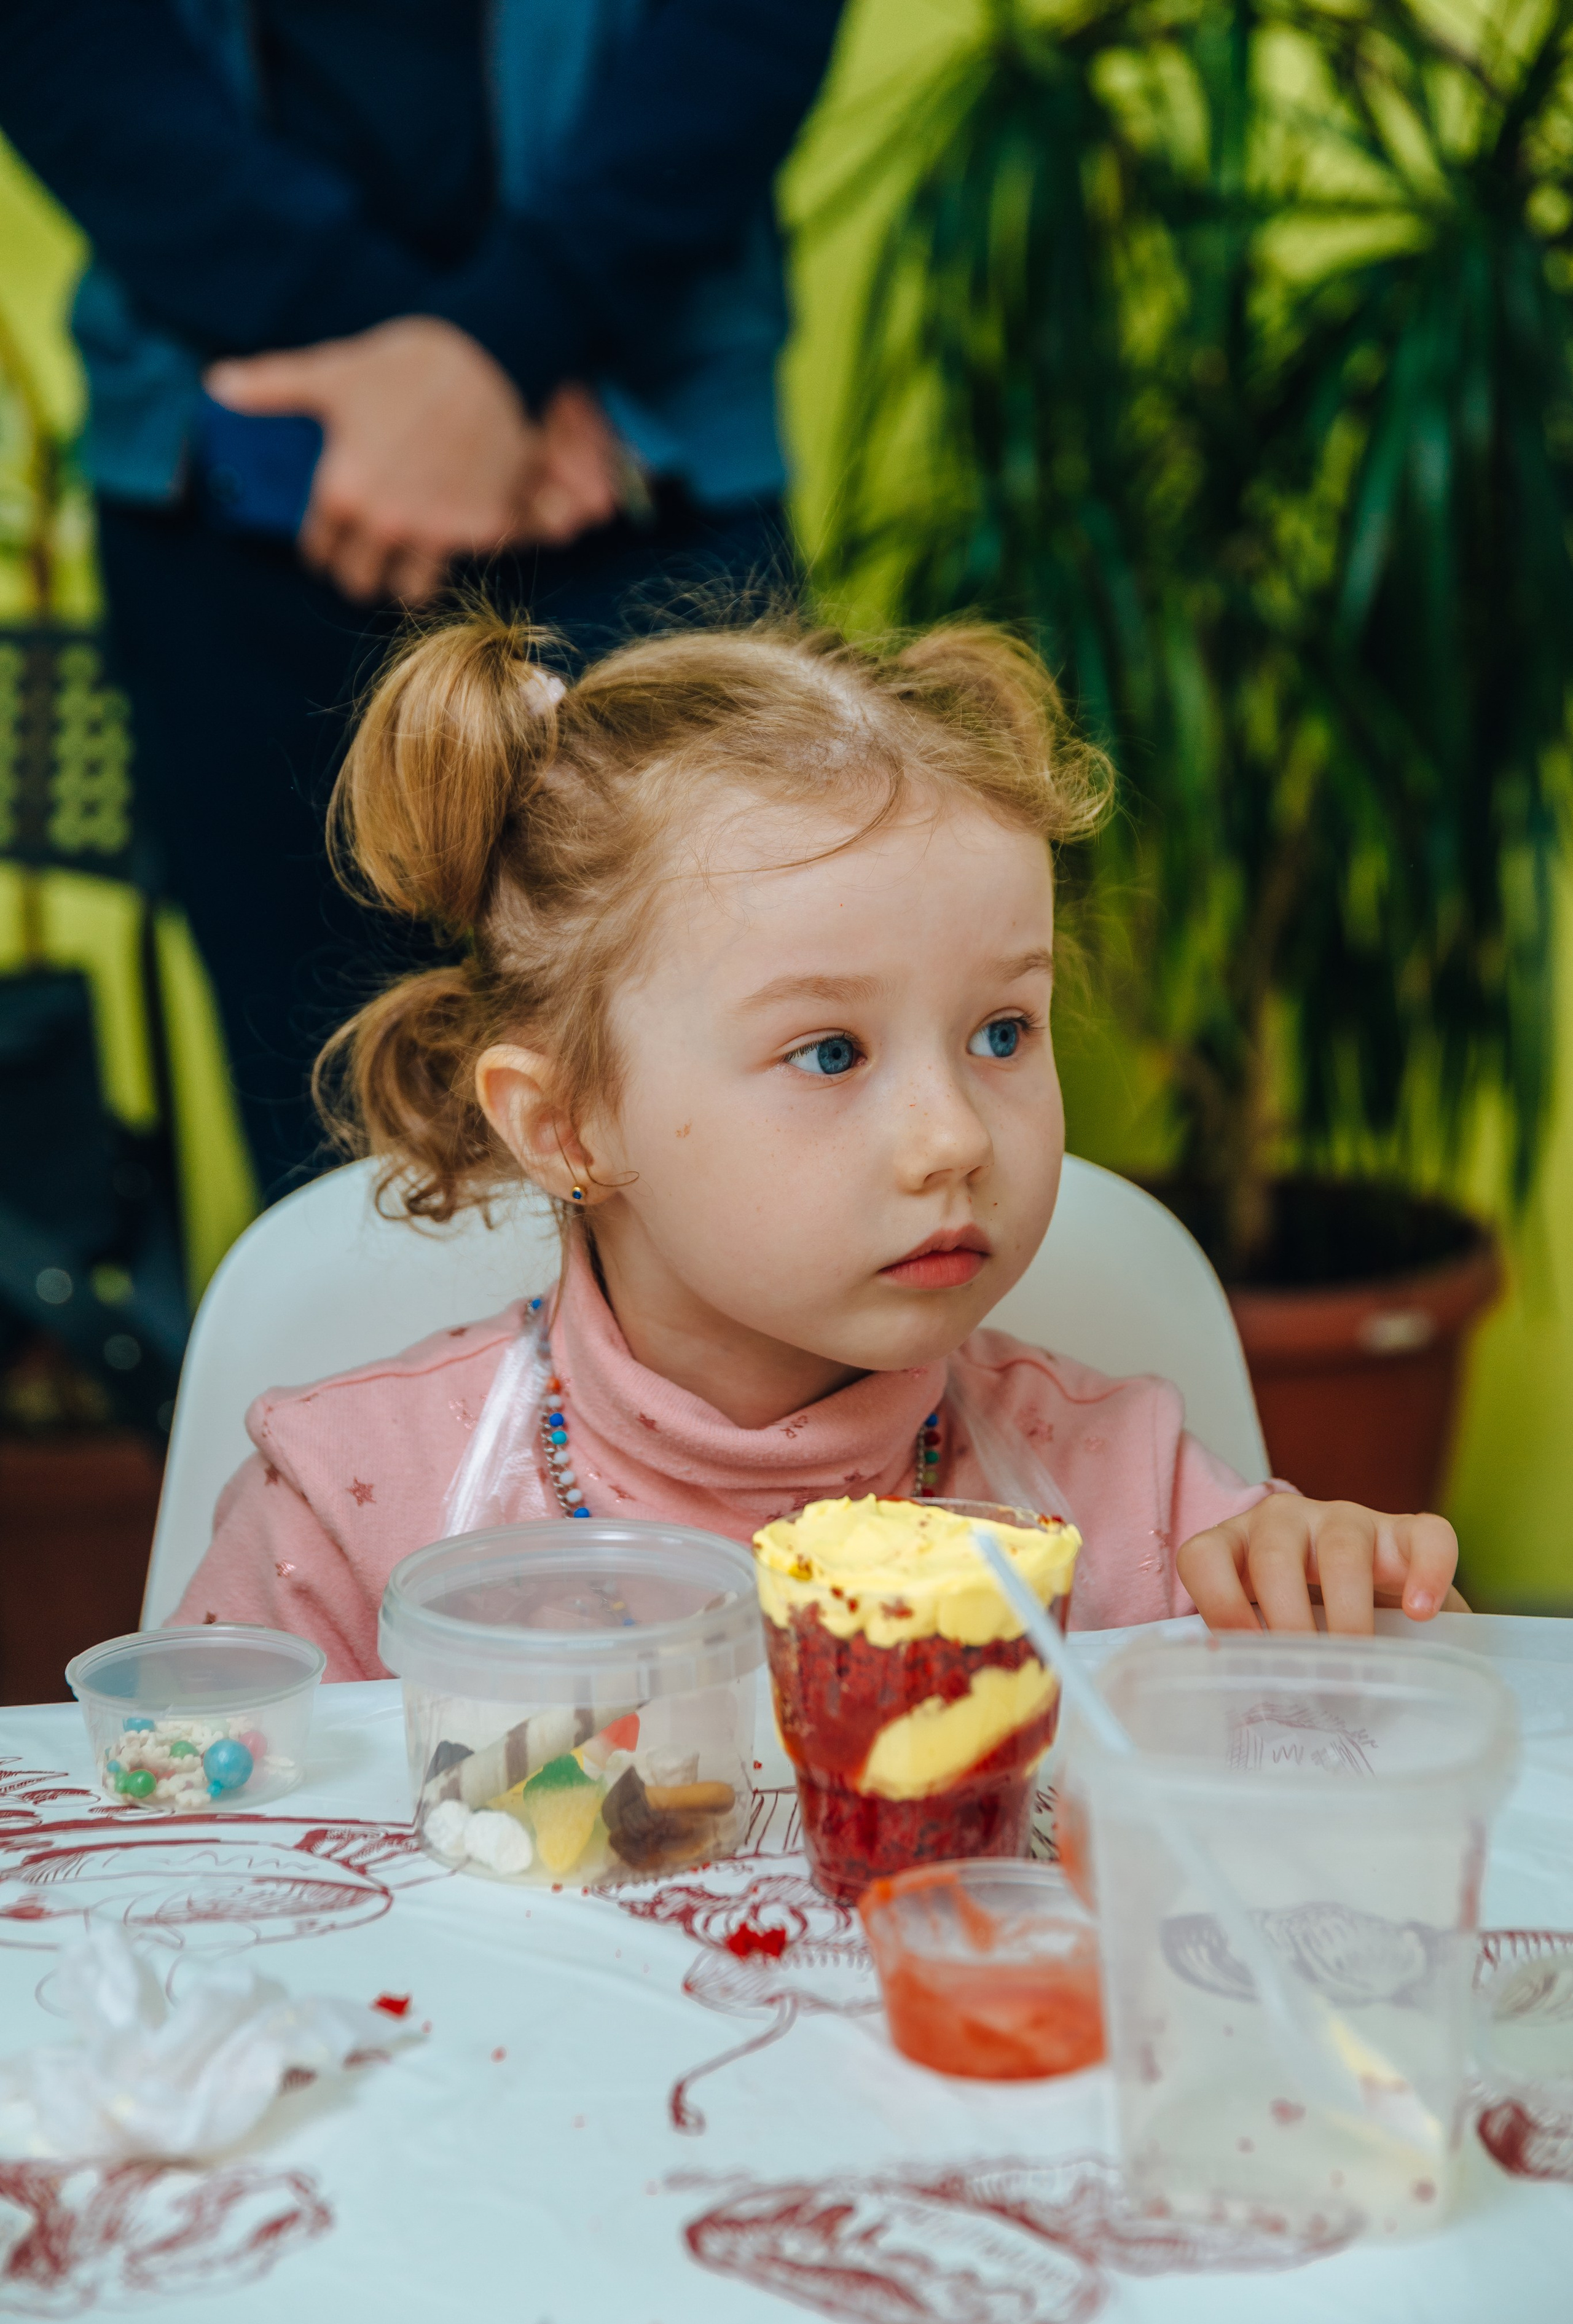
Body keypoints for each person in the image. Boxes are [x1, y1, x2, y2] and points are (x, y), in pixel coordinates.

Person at [168, 609, 1463, 1675]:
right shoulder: (351, 1512)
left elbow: (1387, 1761)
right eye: (830, 1053)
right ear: (564, 1122)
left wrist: (1342, 1602)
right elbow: (182, 1866)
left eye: (1002, 1030)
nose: (951, 1137)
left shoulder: (1128, 1499)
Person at [0, 0, 842, 1197]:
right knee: (341, 1183)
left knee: (744, 1146)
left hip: (645, 479)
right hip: (244, 500)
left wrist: (503, 343)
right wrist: (462, 375)